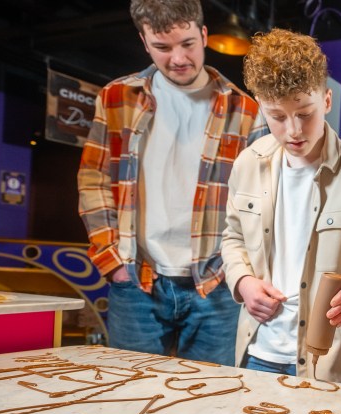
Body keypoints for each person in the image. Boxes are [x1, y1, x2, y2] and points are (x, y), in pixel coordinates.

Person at [77, 0, 266, 363]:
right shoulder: (117, 97)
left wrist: (235, 269)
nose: (178, 58)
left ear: (204, 35)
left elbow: (257, 199)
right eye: (163, 47)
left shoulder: (246, 111)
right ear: (145, 42)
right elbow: (93, 178)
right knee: (130, 393)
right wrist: (112, 261)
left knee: (209, 398)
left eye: (188, 44)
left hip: (215, 281)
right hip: (136, 278)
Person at [220, 28, 341, 384]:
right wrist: (243, 281)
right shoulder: (247, 164)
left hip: (328, 367)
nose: (293, 130)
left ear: (326, 100)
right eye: (276, 116)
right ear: (261, 107)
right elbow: (232, 239)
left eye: (304, 113)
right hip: (256, 353)